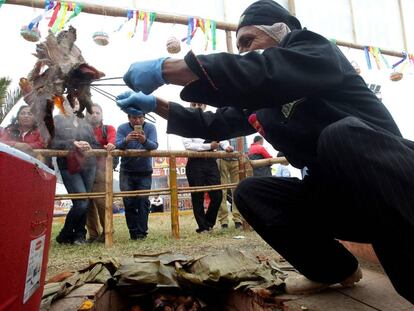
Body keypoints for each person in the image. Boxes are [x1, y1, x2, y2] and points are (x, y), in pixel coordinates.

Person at [115, 0, 414, 303]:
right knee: (252, 191)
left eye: (248, 41)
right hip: (345, 204)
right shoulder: (264, 101)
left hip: (396, 189)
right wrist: (156, 105)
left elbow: (266, 72)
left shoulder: (314, 50)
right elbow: (214, 123)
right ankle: (333, 269)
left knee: (341, 136)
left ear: (282, 33)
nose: (243, 52)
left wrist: (166, 69)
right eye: (239, 46)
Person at [52, 98, 100, 245]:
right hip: (68, 166)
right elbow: (52, 142)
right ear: (64, 105)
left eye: (77, 103)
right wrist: (72, 143)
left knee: (83, 202)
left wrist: (89, 145)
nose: (74, 105)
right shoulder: (58, 120)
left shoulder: (86, 122)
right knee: (81, 202)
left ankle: (79, 235)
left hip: (89, 165)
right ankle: (64, 234)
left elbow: (96, 144)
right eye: (70, 102)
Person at [182, 102, 231, 233]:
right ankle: (203, 226)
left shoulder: (213, 121)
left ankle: (208, 223)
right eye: (194, 104)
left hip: (211, 162)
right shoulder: (186, 123)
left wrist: (226, 147)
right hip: (195, 163)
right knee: (197, 196)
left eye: (200, 104)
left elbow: (222, 138)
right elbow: (188, 145)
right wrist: (209, 146)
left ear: (205, 106)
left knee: (217, 195)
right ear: (190, 106)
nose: (197, 106)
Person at [115, 109, 158, 240]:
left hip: (144, 171)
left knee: (143, 201)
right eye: (134, 118)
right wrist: (126, 140)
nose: (137, 120)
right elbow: (117, 145)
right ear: (129, 118)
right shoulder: (122, 128)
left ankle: (142, 232)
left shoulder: (151, 127)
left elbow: (154, 145)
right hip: (126, 171)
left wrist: (144, 140)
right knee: (128, 202)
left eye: (140, 117)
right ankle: (133, 232)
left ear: (144, 117)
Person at [86, 103, 116, 243]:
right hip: (84, 170)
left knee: (101, 202)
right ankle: (93, 234)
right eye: (92, 112)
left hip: (101, 170)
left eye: (98, 112)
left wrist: (111, 144)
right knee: (87, 203)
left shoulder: (107, 129)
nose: (95, 114)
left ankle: (107, 231)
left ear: (102, 115)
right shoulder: (82, 130)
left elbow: (112, 139)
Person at [217, 138, 245, 229]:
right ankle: (224, 221)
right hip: (222, 158)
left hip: (237, 159)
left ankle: (238, 219)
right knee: (222, 191)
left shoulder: (241, 129)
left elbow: (244, 145)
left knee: (237, 190)